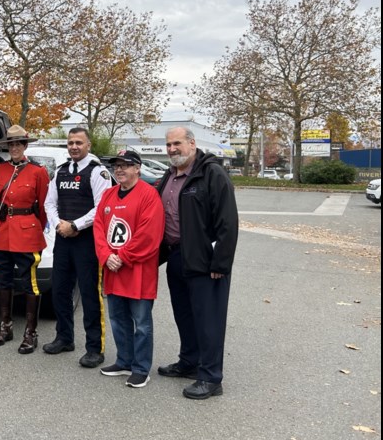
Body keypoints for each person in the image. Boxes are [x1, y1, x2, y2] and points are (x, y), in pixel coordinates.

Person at [155, 126, 239, 400]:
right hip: (177, 256)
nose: (172, 149)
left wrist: (220, 263)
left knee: (209, 320)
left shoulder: (211, 174)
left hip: (205, 262)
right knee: (184, 315)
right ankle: (189, 362)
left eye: (177, 143)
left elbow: (228, 222)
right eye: (168, 145)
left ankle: (211, 377)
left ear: (192, 144)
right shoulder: (170, 175)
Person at [43, 127, 114, 368]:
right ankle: (64, 338)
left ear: (88, 145)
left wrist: (75, 225)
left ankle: (95, 348)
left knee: (90, 293)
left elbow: (102, 207)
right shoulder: (61, 171)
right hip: (63, 239)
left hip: (87, 241)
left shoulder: (98, 172)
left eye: (79, 142)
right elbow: (49, 203)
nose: (74, 146)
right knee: (60, 291)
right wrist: (59, 225)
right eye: (71, 142)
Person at [93, 150, 165, 388]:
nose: (120, 169)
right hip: (113, 270)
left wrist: (122, 256)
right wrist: (106, 255)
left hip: (137, 271)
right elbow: (99, 228)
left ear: (138, 168)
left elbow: (149, 235)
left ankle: (141, 368)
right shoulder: (108, 194)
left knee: (141, 322)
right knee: (118, 319)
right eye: (116, 165)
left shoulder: (149, 195)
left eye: (126, 165)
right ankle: (124, 361)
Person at [0, 125, 50, 354]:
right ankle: (6, 327)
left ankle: (30, 332)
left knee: (28, 282)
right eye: (11, 144)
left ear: (25, 146)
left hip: (27, 232)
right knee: (4, 280)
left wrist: (35, 229)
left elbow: (43, 206)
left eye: (18, 144)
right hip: (3, 232)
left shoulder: (38, 171)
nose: (14, 147)